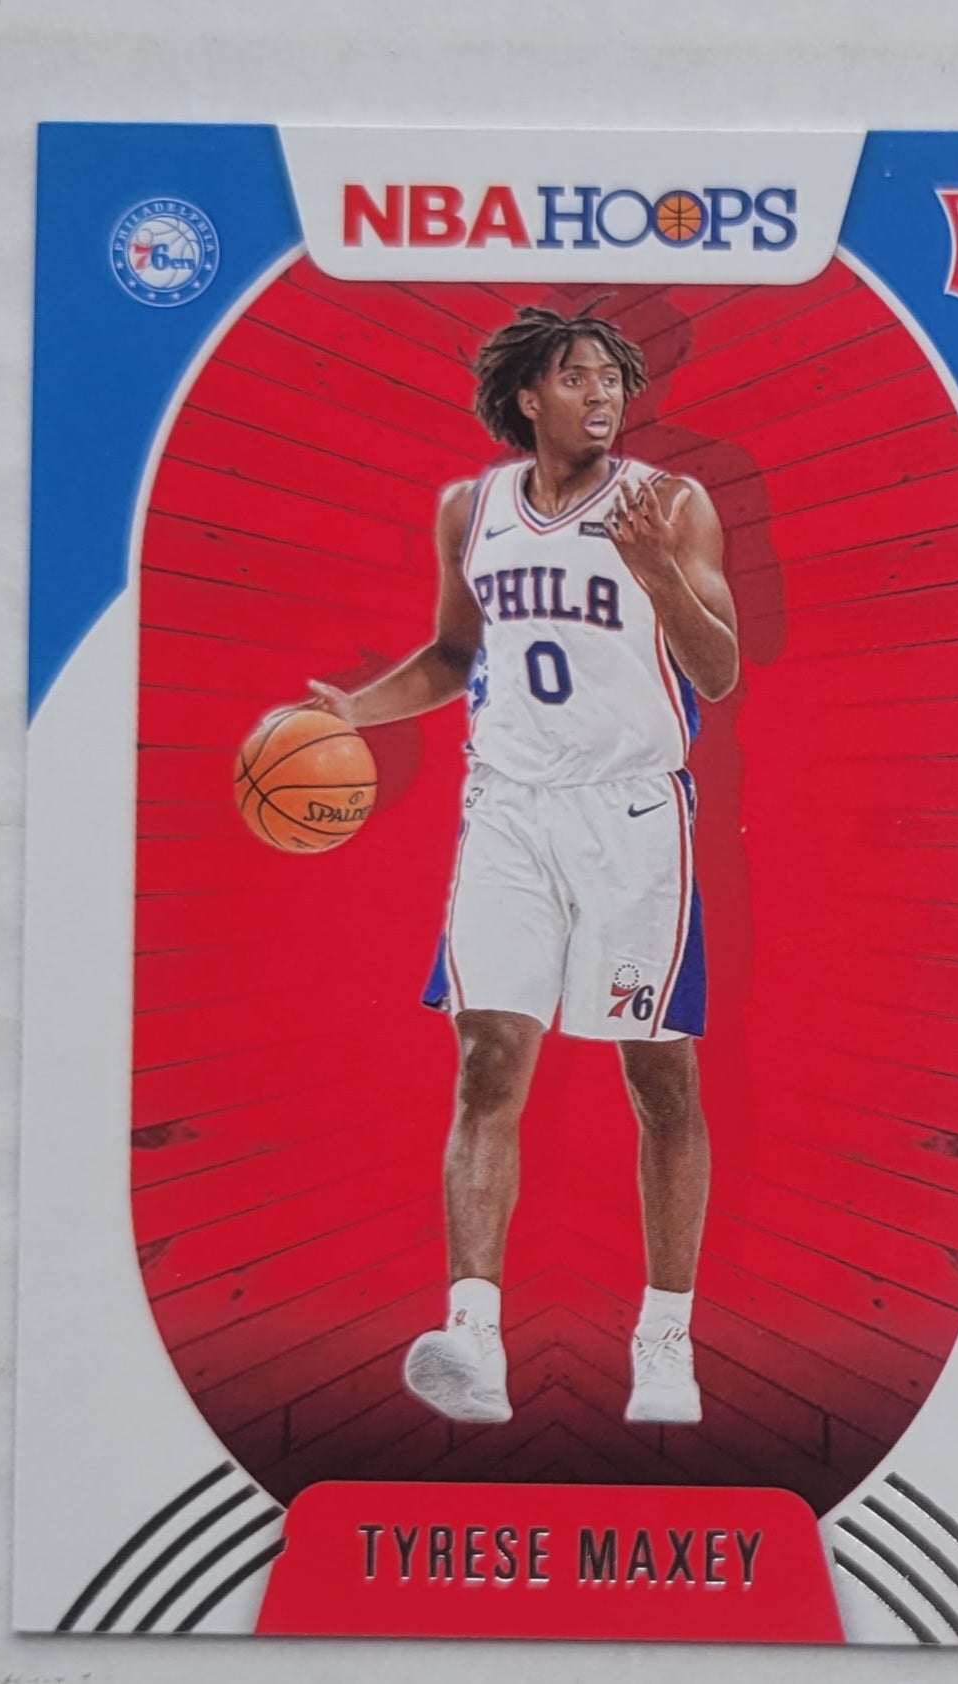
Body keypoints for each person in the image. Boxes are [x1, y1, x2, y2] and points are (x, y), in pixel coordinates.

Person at [309, 304, 738, 1426]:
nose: (602, 395)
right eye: (577, 377)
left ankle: (664, 1338)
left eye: (612, 379)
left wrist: (656, 574)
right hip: (506, 810)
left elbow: (720, 669)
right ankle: (473, 1336)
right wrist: (355, 711)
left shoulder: (671, 505)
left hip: (632, 815)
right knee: (487, 1059)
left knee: (659, 1078)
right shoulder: (472, 508)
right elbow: (456, 653)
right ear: (527, 397)